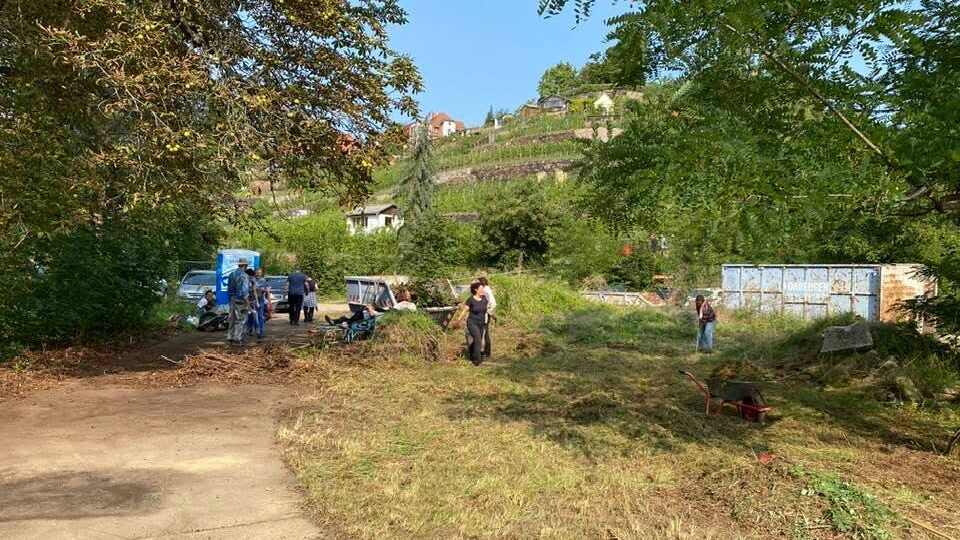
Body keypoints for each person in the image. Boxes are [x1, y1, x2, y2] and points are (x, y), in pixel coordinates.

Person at [452, 281, 495, 366]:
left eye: (483, 288)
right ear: (476, 290)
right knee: (478, 338)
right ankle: (477, 360)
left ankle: (472, 354)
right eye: (481, 288)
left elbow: (486, 309)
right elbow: (465, 311)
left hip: (482, 323)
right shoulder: (470, 300)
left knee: (478, 340)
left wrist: (493, 316)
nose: (483, 290)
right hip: (472, 322)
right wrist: (458, 320)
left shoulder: (484, 299)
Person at [226, 258, 252, 344]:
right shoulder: (245, 276)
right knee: (240, 320)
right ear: (245, 266)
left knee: (232, 318)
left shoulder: (231, 274)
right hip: (240, 300)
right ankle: (237, 338)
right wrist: (248, 303)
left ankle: (230, 336)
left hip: (232, 299)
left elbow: (229, 289)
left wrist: (230, 298)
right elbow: (245, 291)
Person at [246, 268, 268, 342]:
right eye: (257, 272)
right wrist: (257, 289)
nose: (258, 274)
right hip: (251, 300)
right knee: (250, 316)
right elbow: (251, 289)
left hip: (260, 299)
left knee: (260, 316)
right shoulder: (251, 279)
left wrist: (263, 290)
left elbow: (264, 289)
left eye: (260, 272)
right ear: (255, 273)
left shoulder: (263, 280)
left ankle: (261, 332)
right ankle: (250, 330)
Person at [476, 277, 496, 357]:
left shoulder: (485, 291)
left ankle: (484, 353)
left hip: (484, 314)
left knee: (483, 334)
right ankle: (486, 352)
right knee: (485, 333)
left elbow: (487, 305)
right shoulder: (488, 290)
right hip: (487, 313)